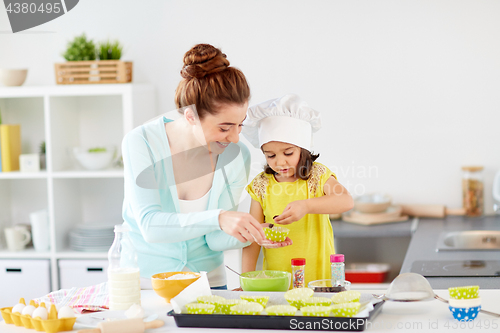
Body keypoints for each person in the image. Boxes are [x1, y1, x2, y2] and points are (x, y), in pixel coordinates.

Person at [121, 43, 270, 290]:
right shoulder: (141, 142)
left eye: (240, 125)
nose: (235, 138)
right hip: (147, 286)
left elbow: (214, 238)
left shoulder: (236, 155)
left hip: (209, 284)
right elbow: (150, 226)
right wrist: (219, 217)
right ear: (190, 116)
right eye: (224, 127)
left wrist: (255, 233)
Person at [241, 94, 354, 287]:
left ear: (303, 149)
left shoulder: (317, 176)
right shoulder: (261, 185)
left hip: (319, 279)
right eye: (271, 155)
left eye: (288, 153)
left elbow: (346, 201)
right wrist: (246, 281)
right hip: (277, 281)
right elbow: (253, 238)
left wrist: (307, 205)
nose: (280, 162)